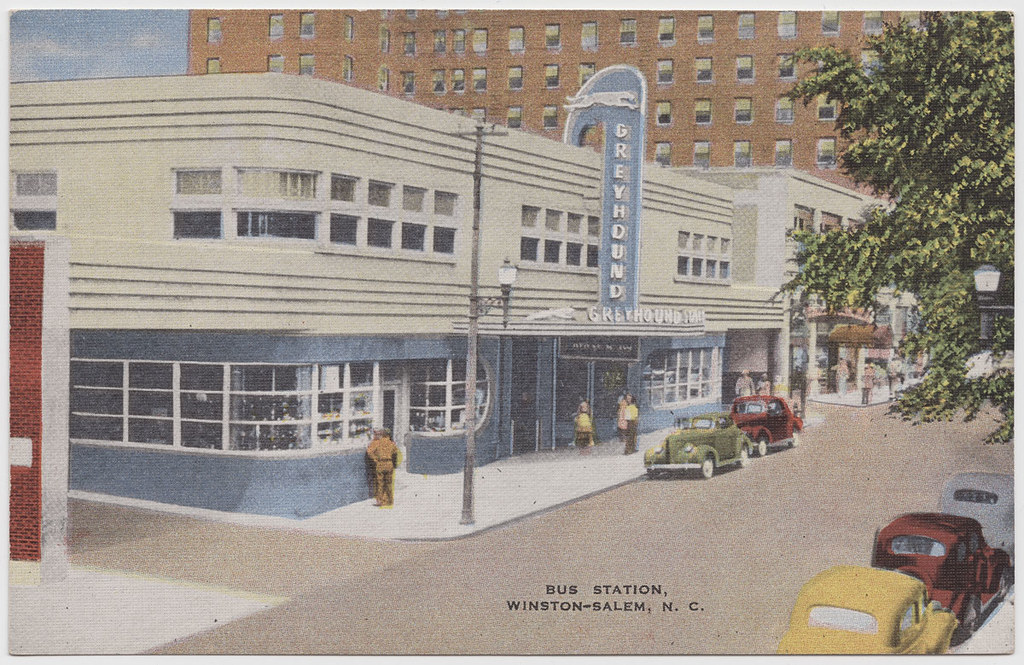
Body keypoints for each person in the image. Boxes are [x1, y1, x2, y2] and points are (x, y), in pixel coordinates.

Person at [366, 428, 400, 508]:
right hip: (389, 463)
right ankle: (389, 500)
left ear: (382, 435)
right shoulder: (392, 443)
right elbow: (395, 453)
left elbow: (369, 452)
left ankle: (380, 501)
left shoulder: (377, 443)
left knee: (380, 483)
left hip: (380, 463)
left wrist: (375, 459)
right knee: (388, 483)